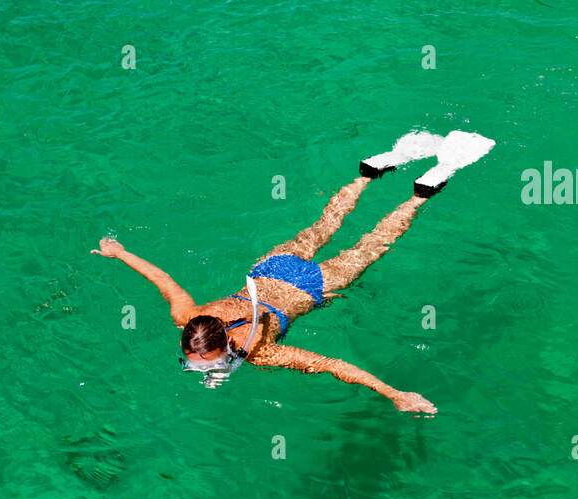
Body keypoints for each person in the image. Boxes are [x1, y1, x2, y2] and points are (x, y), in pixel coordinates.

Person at [92, 147, 461, 414]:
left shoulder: (259, 352)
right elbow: (162, 278)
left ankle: (418, 196)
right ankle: (366, 175)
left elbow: (332, 365)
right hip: (271, 269)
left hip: (310, 285)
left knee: (371, 245)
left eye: (204, 363)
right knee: (324, 225)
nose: (202, 368)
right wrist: (120, 253)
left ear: (220, 345)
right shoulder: (187, 313)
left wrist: (392, 392)